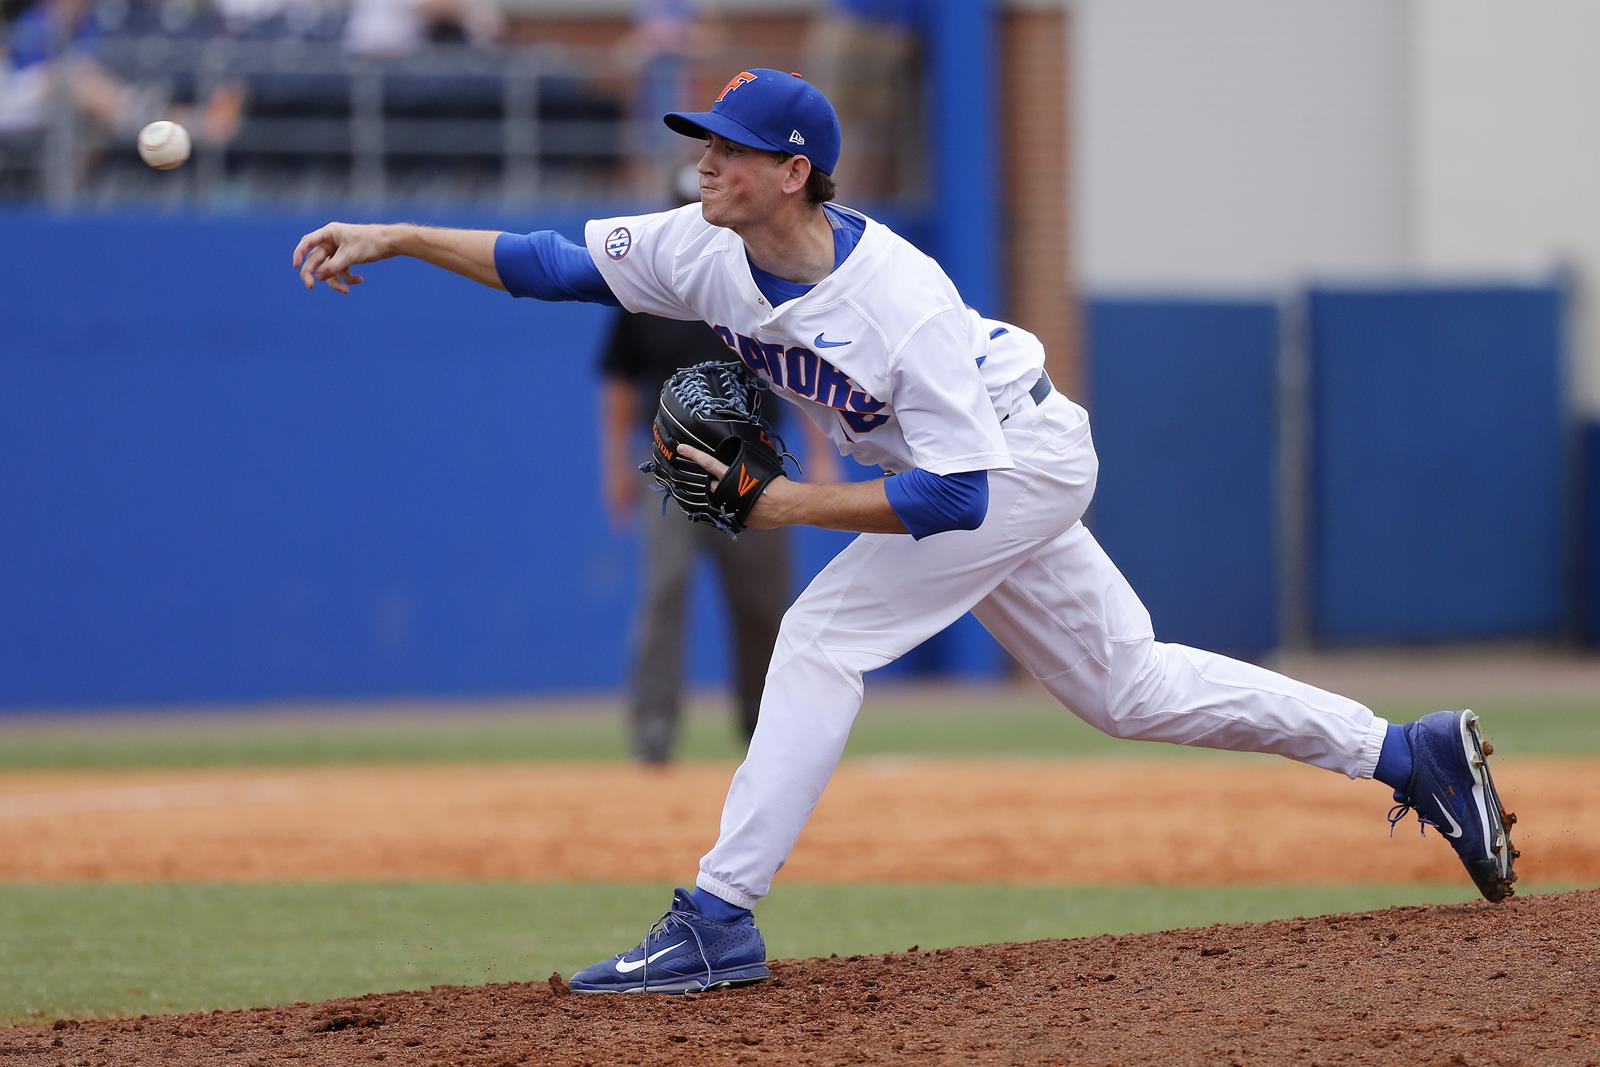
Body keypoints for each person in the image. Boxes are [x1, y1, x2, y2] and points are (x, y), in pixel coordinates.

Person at [291, 67, 1519, 996]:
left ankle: (719, 914)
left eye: (725, 148)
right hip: (982, 462)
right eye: (701, 143)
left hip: (1014, 458)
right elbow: (546, 262)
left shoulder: (899, 299)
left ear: (791, 170)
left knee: (822, 634)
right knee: (1125, 686)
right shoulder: (699, 245)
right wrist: (396, 235)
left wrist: (786, 506)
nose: (702, 161)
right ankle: (1404, 752)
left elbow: (956, 497)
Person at [597, 169, 831, 764]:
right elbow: (620, 385)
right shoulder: (645, 293)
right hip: (669, 466)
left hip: (755, 464)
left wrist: (822, 454)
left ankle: (764, 730)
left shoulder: (760, 283)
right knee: (665, 591)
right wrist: (615, 468)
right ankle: (654, 733)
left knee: (762, 604)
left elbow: (804, 372)